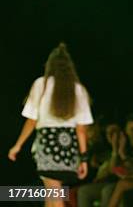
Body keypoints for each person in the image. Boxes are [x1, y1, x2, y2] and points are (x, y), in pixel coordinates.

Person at [8, 42, 94, 207]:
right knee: (52, 193)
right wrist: (84, 158)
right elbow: (81, 130)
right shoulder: (78, 89)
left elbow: (32, 120)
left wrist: (17, 146)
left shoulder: (41, 84)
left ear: (49, 66)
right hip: (69, 145)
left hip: (47, 144)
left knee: (54, 194)